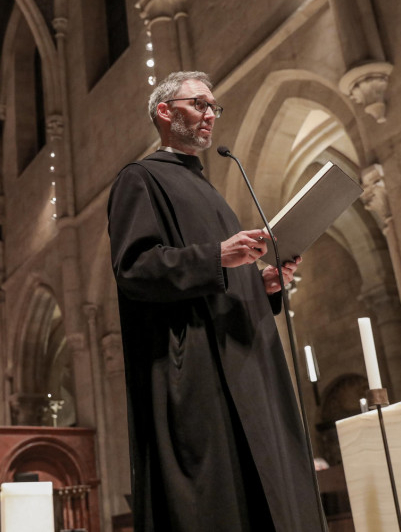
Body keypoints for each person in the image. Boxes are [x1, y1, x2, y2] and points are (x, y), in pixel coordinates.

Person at [107, 71, 319, 531]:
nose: (210, 115)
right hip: (201, 367)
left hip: (247, 364)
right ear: (165, 111)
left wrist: (263, 287)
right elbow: (135, 268)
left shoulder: (208, 189)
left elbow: (221, 275)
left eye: (214, 107)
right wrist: (217, 256)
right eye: (200, 104)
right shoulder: (141, 178)